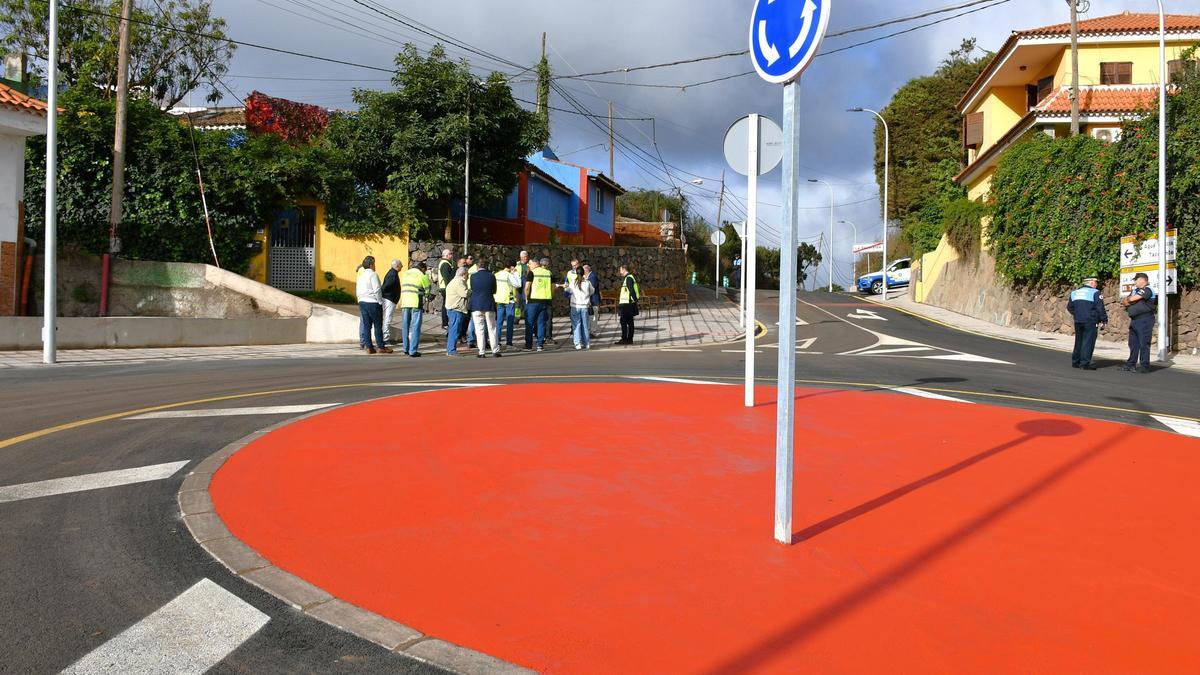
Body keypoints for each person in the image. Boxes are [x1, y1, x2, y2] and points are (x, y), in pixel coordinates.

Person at [1067, 276, 1107, 370]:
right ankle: (1084, 363)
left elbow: (1070, 307)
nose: (1097, 284)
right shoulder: (1095, 292)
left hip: (1078, 320)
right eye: (1096, 282)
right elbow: (1100, 308)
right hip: (1091, 321)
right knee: (1088, 342)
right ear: (1092, 283)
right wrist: (1103, 319)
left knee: (1079, 341)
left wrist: (1077, 314)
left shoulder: (1075, 293)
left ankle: (1076, 362)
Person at [356, 256, 391, 354]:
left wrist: (360, 300)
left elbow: (357, 289)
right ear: (371, 265)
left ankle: (369, 347)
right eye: (374, 264)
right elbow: (377, 289)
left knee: (367, 326)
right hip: (373, 302)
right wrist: (380, 301)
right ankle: (381, 347)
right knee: (377, 325)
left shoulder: (361, 276)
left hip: (362, 301)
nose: (375, 266)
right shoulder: (373, 274)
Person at [469, 257, 502, 358]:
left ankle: (481, 352)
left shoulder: (473, 276)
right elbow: (494, 290)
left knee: (479, 329)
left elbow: (472, 288)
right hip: (489, 304)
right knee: (492, 328)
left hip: (476, 304)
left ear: (477, 266)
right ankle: (495, 350)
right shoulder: (491, 276)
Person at [1122, 272, 1156, 373]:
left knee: (1143, 343)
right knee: (1133, 343)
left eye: (1136, 280)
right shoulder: (1135, 290)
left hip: (1145, 319)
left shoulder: (1147, 290)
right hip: (1134, 320)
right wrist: (1130, 300)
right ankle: (1131, 364)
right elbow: (1124, 302)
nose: (1135, 282)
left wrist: (1130, 300)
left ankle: (1144, 365)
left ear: (1142, 280)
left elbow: (1132, 299)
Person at [399, 260, 430, 357]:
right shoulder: (422, 275)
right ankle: (413, 350)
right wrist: (426, 295)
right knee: (415, 327)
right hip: (416, 303)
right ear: (423, 269)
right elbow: (427, 290)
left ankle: (405, 348)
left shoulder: (406, 273)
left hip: (405, 302)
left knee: (405, 326)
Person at [524, 258, 553, 352]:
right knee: (541, 324)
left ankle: (529, 345)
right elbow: (553, 287)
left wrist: (526, 298)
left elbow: (527, 287)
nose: (529, 266)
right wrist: (550, 297)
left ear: (535, 263)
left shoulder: (532, 273)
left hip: (533, 301)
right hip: (545, 301)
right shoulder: (548, 273)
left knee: (529, 323)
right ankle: (540, 345)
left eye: (530, 264)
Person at [567, 264, 594, 350]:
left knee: (576, 325)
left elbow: (568, 291)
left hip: (575, 306)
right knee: (585, 325)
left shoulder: (573, 283)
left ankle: (577, 343)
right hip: (585, 306)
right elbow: (592, 291)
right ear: (583, 273)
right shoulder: (587, 282)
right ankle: (587, 343)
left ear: (576, 273)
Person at [444, 267, 470, 356]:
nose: (468, 277)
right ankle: (451, 350)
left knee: (453, 330)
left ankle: (450, 349)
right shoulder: (459, 282)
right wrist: (471, 291)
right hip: (456, 309)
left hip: (453, 308)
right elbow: (465, 293)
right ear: (463, 274)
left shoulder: (454, 281)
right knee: (455, 331)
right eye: (467, 274)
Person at [494, 262, 518, 350]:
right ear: (511, 267)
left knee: (499, 322)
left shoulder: (496, 275)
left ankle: (497, 342)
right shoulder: (510, 275)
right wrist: (515, 274)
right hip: (509, 300)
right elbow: (518, 284)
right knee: (510, 322)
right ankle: (509, 343)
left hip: (499, 300)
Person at [616, 263, 640, 345]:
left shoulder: (628, 278)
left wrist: (635, 300)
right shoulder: (629, 277)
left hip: (627, 304)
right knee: (630, 322)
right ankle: (629, 339)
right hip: (628, 303)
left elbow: (631, 290)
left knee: (623, 321)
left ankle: (625, 339)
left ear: (623, 269)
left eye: (620, 270)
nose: (620, 271)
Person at [380, 259, 402, 346]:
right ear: (397, 266)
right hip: (389, 300)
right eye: (401, 265)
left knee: (387, 318)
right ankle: (385, 338)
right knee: (387, 319)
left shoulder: (392, 273)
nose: (402, 267)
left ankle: (385, 337)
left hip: (389, 299)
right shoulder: (393, 275)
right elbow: (385, 287)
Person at [437, 248, 455, 330]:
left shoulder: (445, 263)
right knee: (446, 305)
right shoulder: (445, 264)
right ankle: (445, 323)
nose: (452, 255)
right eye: (451, 254)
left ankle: (445, 323)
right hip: (446, 288)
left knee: (445, 304)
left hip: (444, 287)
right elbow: (447, 278)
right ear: (447, 255)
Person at [583, 262, 600, 338]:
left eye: (583, 270)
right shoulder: (589, 276)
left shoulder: (592, 276)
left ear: (586, 270)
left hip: (594, 300)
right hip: (591, 300)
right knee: (591, 316)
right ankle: (591, 331)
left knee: (594, 316)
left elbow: (592, 289)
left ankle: (593, 332)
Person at [514, 250, 530, 324]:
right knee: (518, 304)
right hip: (518, 286)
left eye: (526, 256)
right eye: (524, 257)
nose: (526, 258)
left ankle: (527, 318)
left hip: (526, 285)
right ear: (521, 257)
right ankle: (517, 319)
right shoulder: (517, 265)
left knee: (526, 302)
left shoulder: (529, 264)